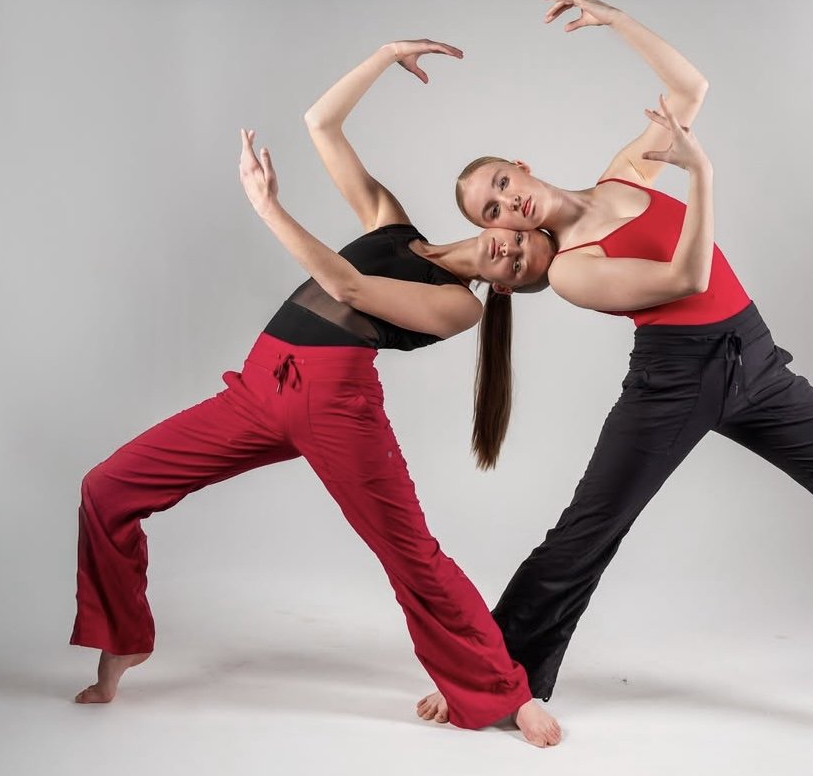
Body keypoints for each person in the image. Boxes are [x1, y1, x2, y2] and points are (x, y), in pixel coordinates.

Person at [418, 0, 813, 744]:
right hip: (674, 380)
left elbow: (690, 91)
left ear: (519, 166)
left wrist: (615, 20)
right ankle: (484, 679)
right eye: (489, 212)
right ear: (501, 231)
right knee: (586, 535)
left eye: (498, 182)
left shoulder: (625, 177)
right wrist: (704, 177)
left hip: (754, 359)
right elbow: (687, 281)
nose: (504, 202)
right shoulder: (572, 271)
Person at [70, 40, 561, 747]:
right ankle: (124, 637)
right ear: (504, 218)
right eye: (517, 240)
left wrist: (270, 209)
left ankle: (507, 696)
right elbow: (321, 124)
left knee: (411, 556)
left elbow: (349, 287)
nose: (509, 254)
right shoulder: (392, 222)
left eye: (519, 270)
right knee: (107, 487)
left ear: (510, 289)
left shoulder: (461, 306)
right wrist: (386, 55)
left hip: (336, 407)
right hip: (257, 388)